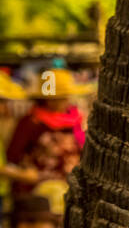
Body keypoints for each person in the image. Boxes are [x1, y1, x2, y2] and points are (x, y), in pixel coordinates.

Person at [5, 68, 93, 197]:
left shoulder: (77, 120)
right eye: (55, 98)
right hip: (38, 193)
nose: (61, 101)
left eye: (63, 97)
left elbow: (83, 147)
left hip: (71, 189)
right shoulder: (31, 122)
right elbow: (13, 155)